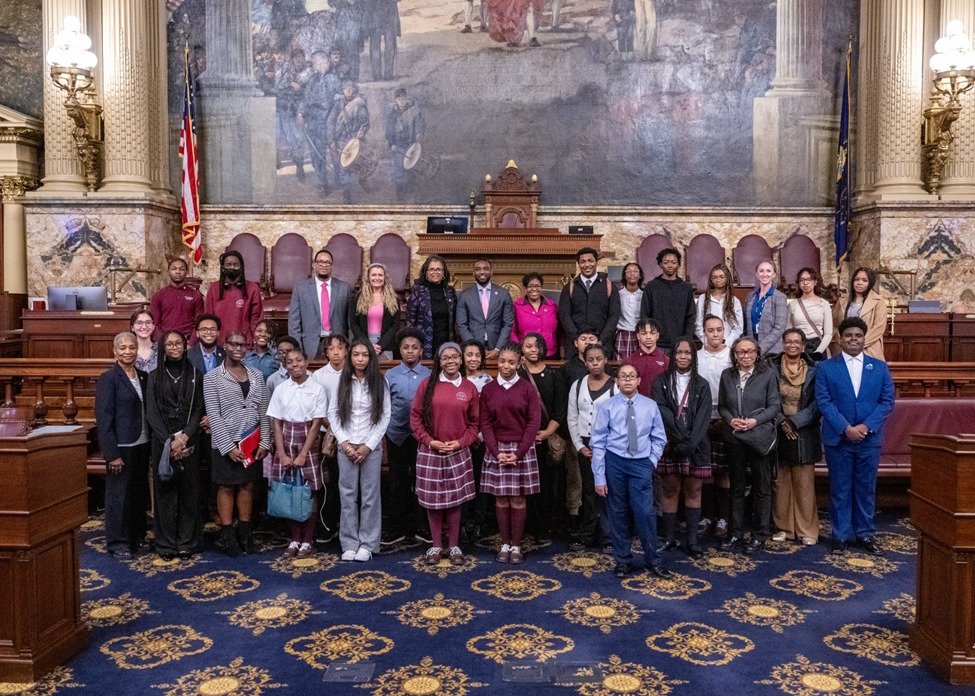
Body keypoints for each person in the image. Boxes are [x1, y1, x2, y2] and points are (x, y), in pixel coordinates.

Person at [816, 317, 895, 555]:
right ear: (840, 339)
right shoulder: (826, 368)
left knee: (865, 488)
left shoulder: (879, 368)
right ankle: (839, 535)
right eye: (848, 336)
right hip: (838, 439)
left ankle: (865, 534)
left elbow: (887, 401)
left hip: (869, 440)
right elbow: (824, 401)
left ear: (864, 338)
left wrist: (865, 427)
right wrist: (846, 428)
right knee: (839, 488)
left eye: (857, 336)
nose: (853, 339)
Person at [591, 363, 671, 579]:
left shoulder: (650, 405)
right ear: (616, 381)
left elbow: (659, 437)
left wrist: (651, 461)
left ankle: (653, 560)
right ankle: (623, 561)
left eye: (632, 376)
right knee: (617, 512)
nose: (627, 379)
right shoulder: (606, 406)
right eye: (623, 376)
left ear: (639, 381)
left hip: (640, 463)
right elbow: (598, 442)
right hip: (614, 462)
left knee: (645, 513)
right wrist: (599, 476)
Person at [410, 342, 480, 565]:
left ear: (461, 360)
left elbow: (475, 423)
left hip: (457, 451)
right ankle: (436, 545)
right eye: (445, 357)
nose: (450, 361)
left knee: (454, 500)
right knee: (433, 500)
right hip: (431, 450)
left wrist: (461, 442)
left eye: (454, 357)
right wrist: (431, 442)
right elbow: (415, 418)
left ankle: (454, 545)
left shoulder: (469, 388)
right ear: (439, 362)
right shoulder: (427, 384)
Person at [203, 331, 271, 557]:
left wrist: (265, 440)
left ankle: (245, 534)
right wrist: (228, 447)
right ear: (225, 345)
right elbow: (213, 414)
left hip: (251, 439)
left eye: (243, 345)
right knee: (226, 487)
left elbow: (263, 410)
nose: (239, 349)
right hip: (226, 440)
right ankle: (228, 535)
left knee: (247, 486)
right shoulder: (212, 377)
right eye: (234, 344)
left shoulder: (256, 375)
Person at [328, 339, 391, 562]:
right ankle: (349, 543)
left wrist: (367, 446)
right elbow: (333, 414)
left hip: (369, 447)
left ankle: (368, 543)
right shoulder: (341, 382)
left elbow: (384, 417)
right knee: (347, 495)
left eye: (365, 355)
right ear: (350, 357)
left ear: (370, 358)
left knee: (370, 497)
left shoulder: (379, 382)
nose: (360, 359)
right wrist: (344, 444)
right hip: (346, 446)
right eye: (356, 355)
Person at [718, 336, 781, 556]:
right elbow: (723, 406)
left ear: (757, 354)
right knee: (737, 487)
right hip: (735, 438)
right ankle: (735, 533)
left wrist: (755, 421)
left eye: (750, 352)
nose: (745, 356)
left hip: (759, 437)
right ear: (734, 355)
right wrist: (730, 419)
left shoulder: (768, 374)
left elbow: (775, 406)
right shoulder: (727, 375)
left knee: (762, 488)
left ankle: (759, 535)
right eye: (741, 352)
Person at [479, 342, 542, 564]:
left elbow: (534, 422)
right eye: (502, 361)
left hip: (521, 449)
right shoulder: (488, 389)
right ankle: (504, 542)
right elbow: (485, 423)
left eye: (511, 362)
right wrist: (496, 452)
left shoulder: (527, 389)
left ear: (519, 363)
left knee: (517, 499)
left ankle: (516, 544)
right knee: (501, 499)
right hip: (497, 449)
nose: (506, 366)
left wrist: (520, 452)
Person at [651, 337, 713, 558]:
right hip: (670, 442)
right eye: (679, 352)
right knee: (669, 488)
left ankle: (692, 541)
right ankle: (669, 538)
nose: (683, 356)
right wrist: (680, 440)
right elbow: (662, 411)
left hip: (695, 444)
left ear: (693, 356)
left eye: (688, 353)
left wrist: (689, 443)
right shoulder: (660, 382)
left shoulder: (702, 384)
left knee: (694, 489)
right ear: (673, 355)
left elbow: (704, 418)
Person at [145, 331, 205, 560]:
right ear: (163, 347)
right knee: (166, 494)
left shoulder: (195, 375)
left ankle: (187, 542)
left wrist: (184, 438)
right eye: (169, 344)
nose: (174, 347)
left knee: (189, 493)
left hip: (189, 441)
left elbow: (199, 409)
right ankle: (166, 543)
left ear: (185, 345)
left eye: (178, 343)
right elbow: (151, 412)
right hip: (162, 442)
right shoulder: (153, 377)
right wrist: (169, 441)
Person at [267, 349, 328, 558]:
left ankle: (308, 539)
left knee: (308, 490)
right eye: (290, 362)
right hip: (286, 438)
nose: (295, 365)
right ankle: (294, 538)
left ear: (306, 361)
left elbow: (316, 424)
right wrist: (282, 453)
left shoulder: (318, 388)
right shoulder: (281, 389)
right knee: (289, 489)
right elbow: (276, 423)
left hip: (308, 442)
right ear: (285, 366)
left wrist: (303, 454)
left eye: (299, 360)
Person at [95, 332, 151, 559]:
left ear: (137, 349)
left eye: (131, 347)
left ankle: (137, 536)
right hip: (121, 446)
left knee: (139, 494)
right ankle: (117, 542)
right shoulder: (108, 378)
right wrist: (112, 454)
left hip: (143, 443)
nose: (127, 352)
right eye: (123, 348)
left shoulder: (144, 376)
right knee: (119, 495)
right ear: (114, 351)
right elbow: (104, 418)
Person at [770, 328, 821, 546]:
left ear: (803, 345)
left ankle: (807, 530)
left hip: (805, 430)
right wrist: (782, 421)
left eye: (797, 342)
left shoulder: (815, 370)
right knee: (781, 482)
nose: (792, 345)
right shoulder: (771, 368)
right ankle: (784, 528)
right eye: (788, 342)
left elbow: (819, 402)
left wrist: (796, 422)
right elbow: (767, 398)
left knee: (804, 483)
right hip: (778, 428)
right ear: (782, 345)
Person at [383, 328, 432, 546]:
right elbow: (385, 407)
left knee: (421, 482)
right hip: (397, 436)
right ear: (399, 350)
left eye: (414, 347)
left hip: (421, 437)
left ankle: (421, 526)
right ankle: (398, 527)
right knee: (398, 482)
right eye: (405, 347)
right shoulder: (391, 375)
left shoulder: (430, 375)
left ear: (421, 350)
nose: (410, 351)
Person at [567, 343, 616, 552]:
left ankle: (607, 536)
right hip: (585, 445)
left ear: (605, 360)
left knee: (606, 490)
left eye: (599, 359)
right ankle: (587, 534)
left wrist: (607, 446)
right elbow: (572, 417)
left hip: (609, 446)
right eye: (590, 360)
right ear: (585, 362)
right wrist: (579, 446)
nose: (595, 363)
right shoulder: (577, 385)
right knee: (588, 490)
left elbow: (620, 419)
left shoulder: (615, 385)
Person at [521, 332, 564, 546]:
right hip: (522, 440)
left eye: (536, 346)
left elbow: (559, 410)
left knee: (546, 485)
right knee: (524, 487)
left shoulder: (553, 374)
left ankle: (544, 528)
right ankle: (525, 527)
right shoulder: (517, 374)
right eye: (528, 346)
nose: (532, 349)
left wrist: (546, 433)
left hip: (545, 439)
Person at [558, 327, 600, 541]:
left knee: (597, 481)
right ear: (576, 344)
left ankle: (596, 522)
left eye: (591, 338)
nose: (587, 341)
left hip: (602, 440)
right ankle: (575, 518)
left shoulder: (607, 372)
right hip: (576, 435)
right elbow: (566, 404)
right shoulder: (568, 369)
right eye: (583, 339)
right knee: (575, 479)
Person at [311, 333, 350, 543]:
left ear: (346, 351)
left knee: (348, 483)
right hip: (328, 436)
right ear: (326, 352)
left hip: (351, 436)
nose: (336, 352)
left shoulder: (353, 373)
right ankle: (328, 525)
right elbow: (318, 408)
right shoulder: (318, 376)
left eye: (340, 348)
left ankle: (347, 526)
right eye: (331, 348)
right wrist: (332, 428)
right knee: (330, 482)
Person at [696, 315, 733, 539]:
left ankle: (723, 518)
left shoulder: (731, 356)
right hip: (702, 417)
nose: (715, 334)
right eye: (711, 330)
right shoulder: (697, 357)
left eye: (719, 330)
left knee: (724, 472)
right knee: (706, 471)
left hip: (725, 417)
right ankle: (707, 515)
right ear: (704, 333)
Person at [289, 248, 352, 359]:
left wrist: (350, 346)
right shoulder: (300, 289)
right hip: (310, 345)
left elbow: (351, 322)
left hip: (338, 345)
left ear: (332, 266)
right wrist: (297, 349)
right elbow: (294, 323)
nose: (324, 265)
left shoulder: (344, 288)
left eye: (328, 262)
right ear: (314, 264)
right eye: (320, 262)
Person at [558, 247, 621, 358]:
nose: (587, 265)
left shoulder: (609, 286)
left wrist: (600, 340)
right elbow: (564, 315)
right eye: (583, 261)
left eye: (590, 261)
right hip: (575, 347)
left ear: (596, 262)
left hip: (603, 345)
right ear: (579, 264)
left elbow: (614, 315)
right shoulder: (569, 287)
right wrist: (578, 339)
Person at [297, 50, 342, 195]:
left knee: (335, 151)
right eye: (316, 62)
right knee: (316, 154)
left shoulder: (335, 79)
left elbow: (340, 102)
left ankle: (339, 178)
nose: (316, 65)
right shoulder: (311, 80)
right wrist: (300, 113)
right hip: (312, 121)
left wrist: (331, 120)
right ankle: (322, 183)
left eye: (320, 61)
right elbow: (305, 99)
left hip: (329, 120)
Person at [461, 340, 493, 540]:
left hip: (482, 439)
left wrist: (480, 434)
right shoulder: (456, 379)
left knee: (481, 481)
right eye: (469, 354)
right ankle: (464, 522)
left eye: (477, 355)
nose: (473, 359)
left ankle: (480, 522)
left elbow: (490, 412)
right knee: (463, 481)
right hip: (461, 440)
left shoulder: (488, 381)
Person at [457, 259, 515, 361]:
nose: (482, 272)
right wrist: (474, 348)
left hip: (497, 347)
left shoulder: (503, 293)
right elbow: (461, 325)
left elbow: (508, 324)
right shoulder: (465, 295)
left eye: (486, 269)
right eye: (478, 269)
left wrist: (497, 349)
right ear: (473, 273)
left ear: (491, 272)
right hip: (472, 350)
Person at [640, 247, 695, 351]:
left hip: (680, 343)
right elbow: (645, 314)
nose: (670, 265)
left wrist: (686, 339)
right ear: (660, 264)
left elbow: (690, 316)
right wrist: (650, 336)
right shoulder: (651, 287)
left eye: (673, 262)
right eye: (666, 262)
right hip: (657, 343)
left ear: (679, 264)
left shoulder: (686, 288)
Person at [204, 251, 263, 345]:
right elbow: (208, 318)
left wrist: (255, 342)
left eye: (236, 265)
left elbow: (255, 319)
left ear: (241, 267)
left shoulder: (252, 288)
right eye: (228, 265)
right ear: (223, 268)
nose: (232, 267)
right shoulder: (214, 288)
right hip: (220, 343)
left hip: (244, 345)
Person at [406, 255, 458, 359]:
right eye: (431, 269)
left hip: (446, 343)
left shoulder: (450, 292)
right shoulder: (418, 291)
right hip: (424, 344)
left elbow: (454, 320)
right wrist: (415, 346)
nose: (435, 272)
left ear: (443, 272)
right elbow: (410, 322)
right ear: (426, 272)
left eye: (438, 269)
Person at [832, 267, 886, 361]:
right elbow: (834, 324)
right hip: (843, 349)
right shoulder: (842, 300)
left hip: (868, 349)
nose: (859, 282)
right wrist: (841, 340)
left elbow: (879, 327)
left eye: (864, 280)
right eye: (856, 279)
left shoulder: (878, 301)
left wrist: (858, 343)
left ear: (870, 283)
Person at [348, 262, 401, 359]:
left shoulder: (394, 298)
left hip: (385, 345)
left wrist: (380, 345)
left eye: (380, 275)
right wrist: (367, 344)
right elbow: (354, 323)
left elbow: (395, 324)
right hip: (362, 344)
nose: (377, 278)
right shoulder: (357, 298)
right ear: (368, 277)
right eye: (373, 275)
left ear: (385, 277)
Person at [331, 81, 370, 203]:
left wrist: (361, 131)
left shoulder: (359, 104)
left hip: (356, 139)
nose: (348, 89)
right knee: (344, 165)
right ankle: (346, 192)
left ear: (354, 90)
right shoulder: (338, 105)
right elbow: (330, 121)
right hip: (342, 139)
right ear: (342, 90)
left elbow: (365, 122)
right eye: (345, 87)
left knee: (361, 162)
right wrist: (331, 139)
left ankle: (363, 180)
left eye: (350, 88)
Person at [149, 257, 204, 343]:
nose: (177, 272)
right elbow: (154, 323)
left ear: (186, 272)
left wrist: (191, 344)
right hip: (165, 340)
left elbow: (199, 323)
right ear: (168, 271)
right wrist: (162, 343)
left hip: (188, 341)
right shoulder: (158, 296)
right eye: (174, 269)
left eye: (181, 269)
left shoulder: (195, 296)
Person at [745, 258, 789, 357]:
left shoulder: (780, 297)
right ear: (757, 274)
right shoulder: (750, 296)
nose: (765, 274)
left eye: (768, 271)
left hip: (772, 352)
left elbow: (779, 327)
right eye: (761, 271)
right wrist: (751, 347)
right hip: (751, 349)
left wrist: (760, 349)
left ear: (774, 274)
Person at [385, 87, 423, 200]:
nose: (401, 101)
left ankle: (410, 190)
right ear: (396, 100)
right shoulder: (392, 115)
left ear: (406, 99)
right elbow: (389, 131)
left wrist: (419, 133)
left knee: (411, 167)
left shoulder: (413, 111)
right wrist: (392, 144)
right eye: (399, 99)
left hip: (411, 144)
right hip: (398, 146)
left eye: (403, 98)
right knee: (399, 169)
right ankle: (400, 192)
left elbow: (420, 123)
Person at [510, 272, 559, 358]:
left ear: (541, 287)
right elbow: (512, 331)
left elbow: (560, 331)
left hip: (550, 353)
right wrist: (518, 350)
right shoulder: (516, 306)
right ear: (525, 288)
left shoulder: (553, 306)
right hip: (526, 354)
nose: (534, 289)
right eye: (530, 286)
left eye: (537, 286)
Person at [788, 267, 832, 361]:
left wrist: (819, 351)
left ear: (815, 282)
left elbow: (828, 333)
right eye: (802, 280)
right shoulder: (793, 305)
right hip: (799, 345)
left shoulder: (824, 303)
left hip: (818, 345)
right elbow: (789, 331)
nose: (805, 283)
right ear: (798, 283)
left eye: (809, 279)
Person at [695, 263, 742, 347]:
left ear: (727, 278)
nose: (718, 280)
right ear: (711, 280)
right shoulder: (703, 298)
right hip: (708, 345)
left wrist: (727, 344)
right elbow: (698, 325)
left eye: (721, 277)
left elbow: (738, 328)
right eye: (714, 277)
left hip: (728, 346)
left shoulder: (734, 301)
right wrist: (708, 342)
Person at [623, 318, 669, 397]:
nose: (648, 337)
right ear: (638, 336)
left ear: (657, 335)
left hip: (660, 406)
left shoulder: (666, 361)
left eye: (652, 333)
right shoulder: (629, 361)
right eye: (644, 333)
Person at [615, 261, 644, 360]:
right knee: (621, 364)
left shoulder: (644, 295)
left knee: (639, 363)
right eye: (629, 271)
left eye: (635, 271)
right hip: (622, 334)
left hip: (639, 334)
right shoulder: (618, 295)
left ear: (640, 275)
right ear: (624, 275)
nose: (632, 274)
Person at [130, 308, 158, 373]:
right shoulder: (127, 350)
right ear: (132, 328)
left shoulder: (161, 349)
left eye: (148, 322)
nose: (144, 327)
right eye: (139, 323)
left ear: (153, 326)